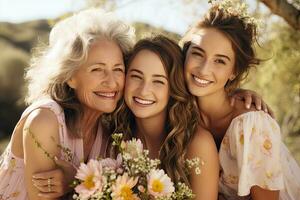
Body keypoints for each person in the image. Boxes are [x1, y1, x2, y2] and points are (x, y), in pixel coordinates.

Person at [0, 8, 135, 200]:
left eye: (118, 69)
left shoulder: (109, 134)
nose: (112, 82)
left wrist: (75, 180)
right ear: (70, 76)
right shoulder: (45, 121)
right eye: (97, 69)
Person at [180, 1, 300, 199]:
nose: (203, 69)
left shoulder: (252, 125)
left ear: (233, 71)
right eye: (197, 53)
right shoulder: (182, 110)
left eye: (220, 61)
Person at [115, 35, 220, 199]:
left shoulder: (198, 144)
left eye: (158, 81)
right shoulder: (115, 136)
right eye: (136, 76)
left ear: (173, 88)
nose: (143, 90)